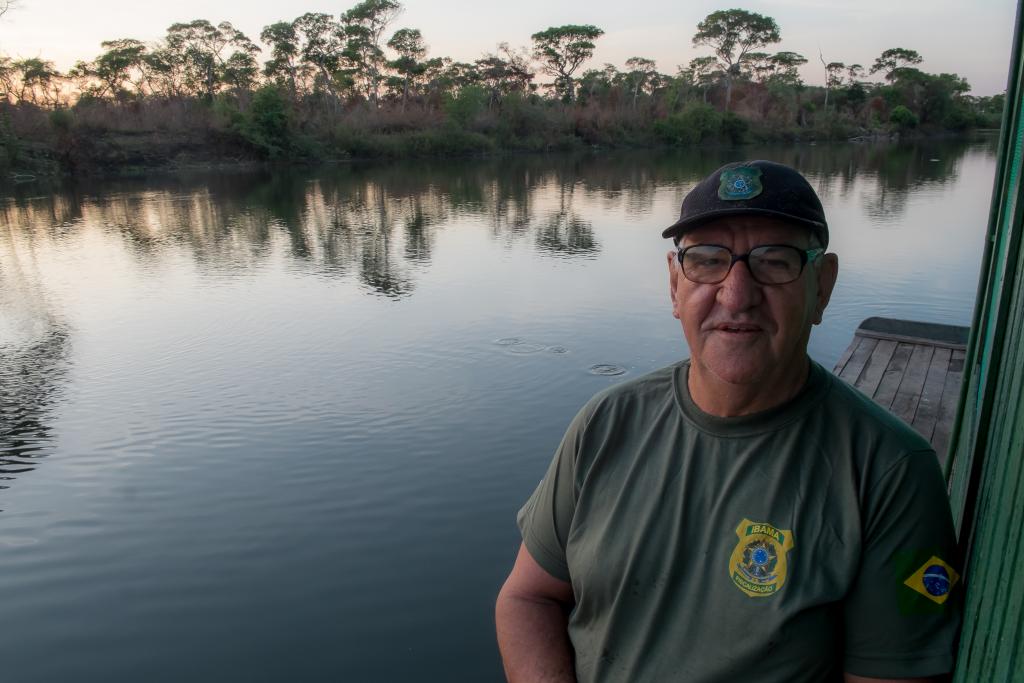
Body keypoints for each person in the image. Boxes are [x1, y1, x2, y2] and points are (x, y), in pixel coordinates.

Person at [495, 160, 961, 683]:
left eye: (775, 261)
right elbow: (528, 597)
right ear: (675, 285)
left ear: (822, 287)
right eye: (708, 260)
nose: (736, 294)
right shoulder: (605, 423)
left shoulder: (889, 471)